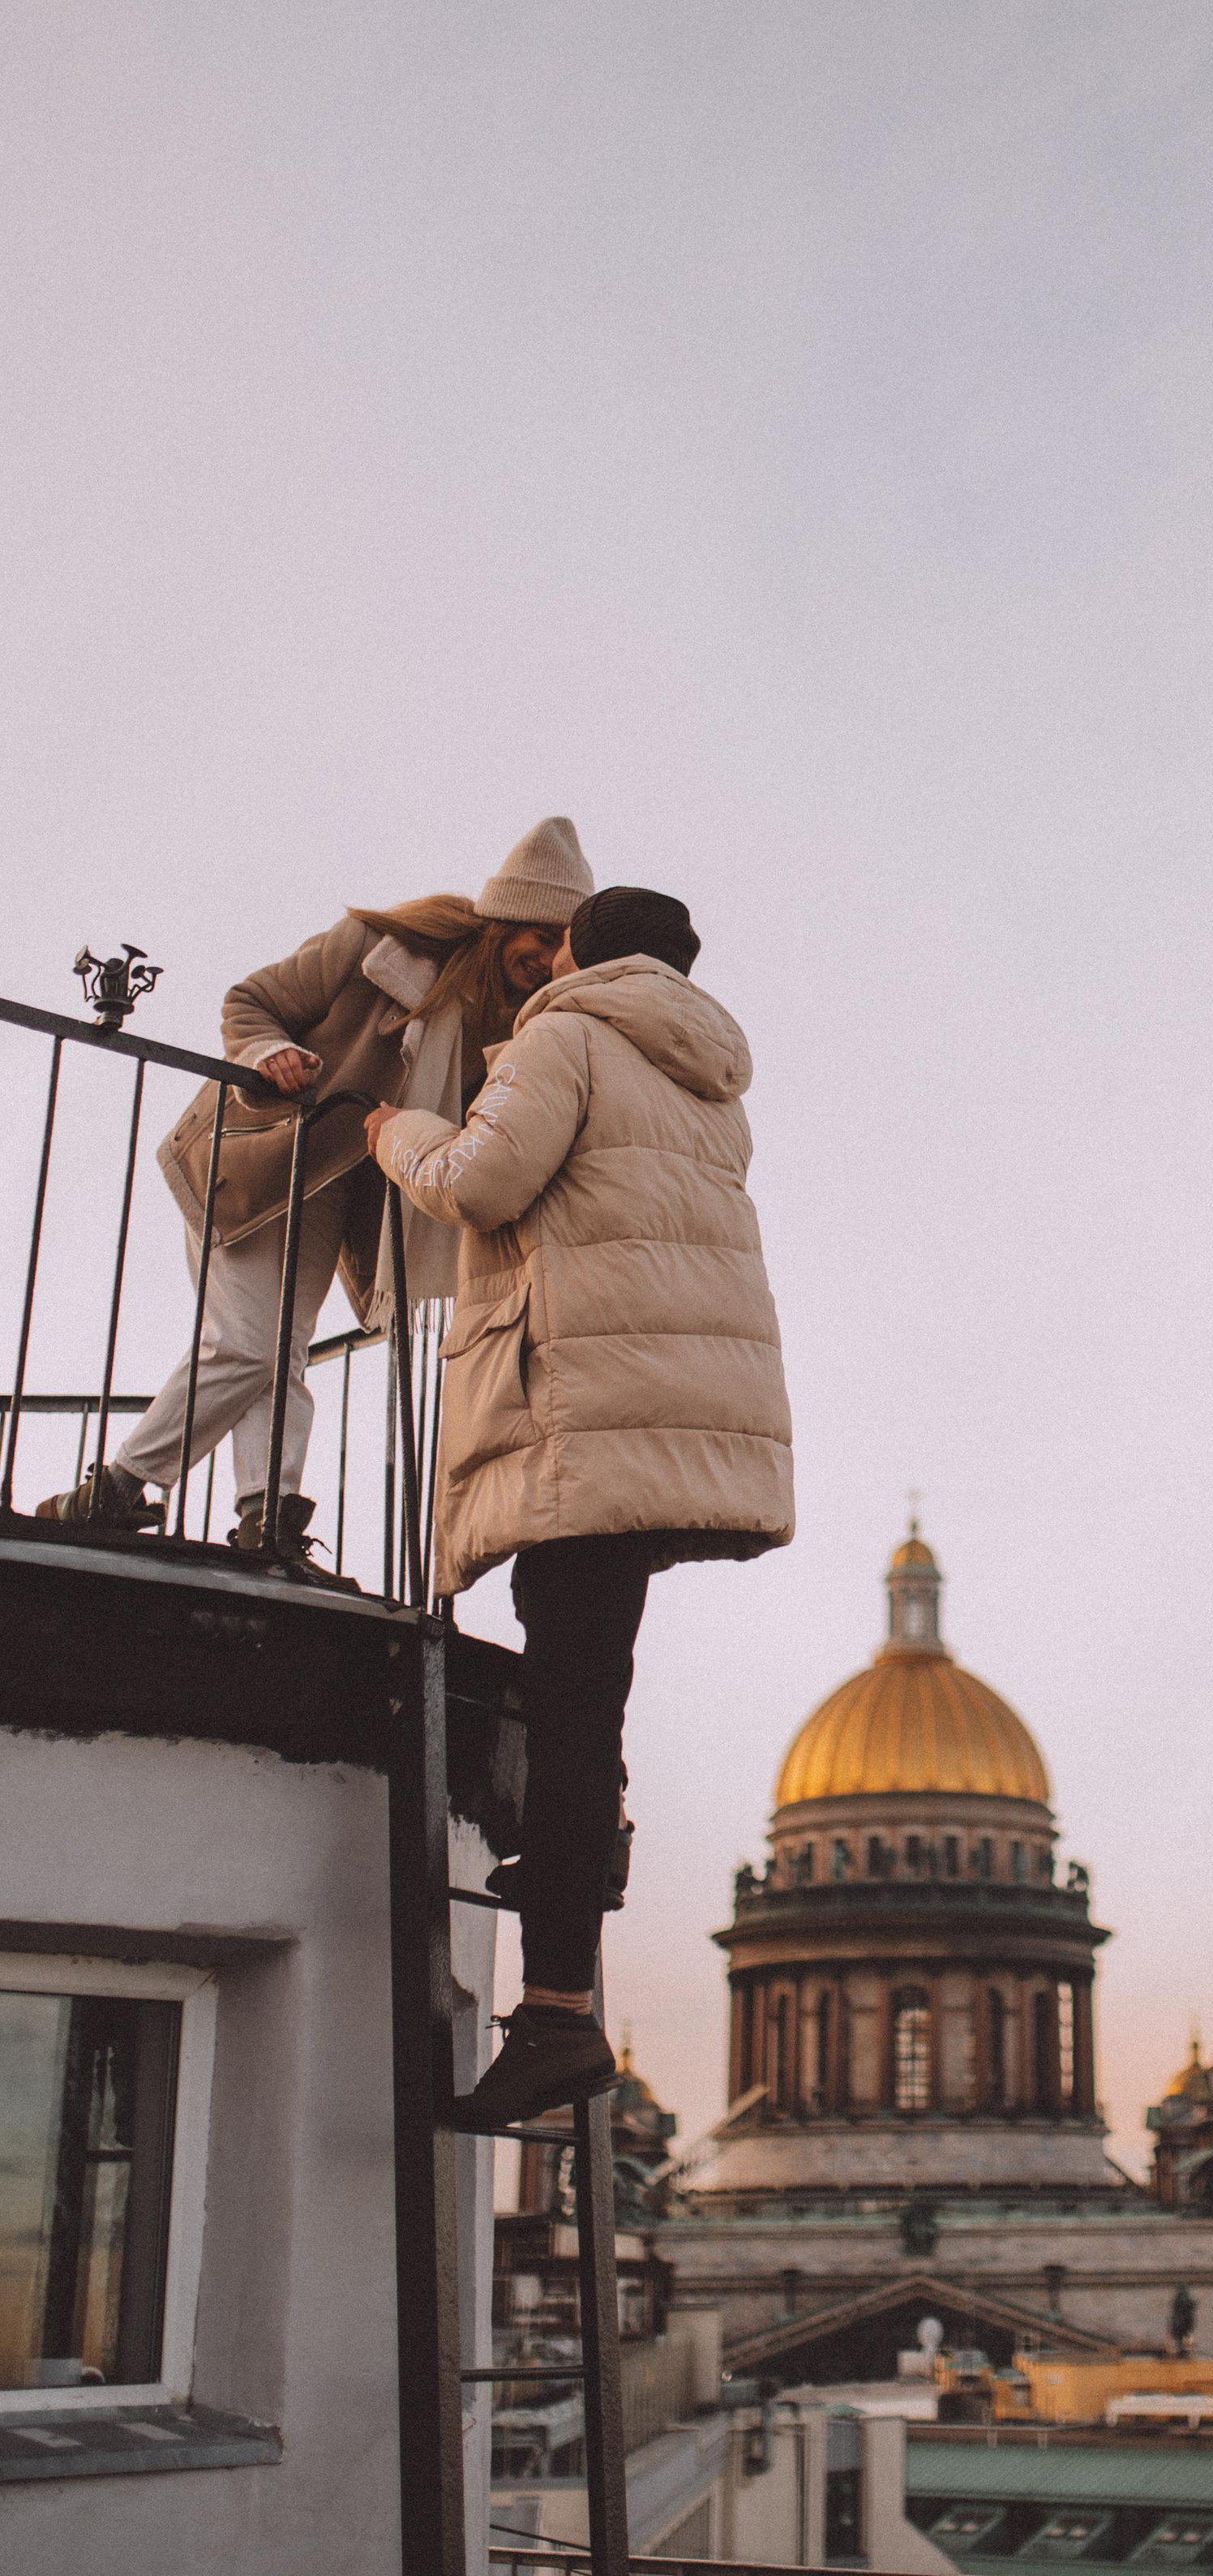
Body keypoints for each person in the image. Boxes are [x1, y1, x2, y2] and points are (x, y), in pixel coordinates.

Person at [367, 882, 793, 2127]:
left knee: (568, 1696)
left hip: (583, 1411)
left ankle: (554, 2005)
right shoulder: (711, 1078)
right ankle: (575, 1868)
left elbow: (479, 1182)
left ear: (587, 952)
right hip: (670, 1417)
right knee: (587, 1685)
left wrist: (396, 1127)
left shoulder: (569, 1032)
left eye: (559, 942)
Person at [39, 818, 595, 1566]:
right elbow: (252, 1000)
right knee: (245, 1344)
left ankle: (267, 1515)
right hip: (256, 1158)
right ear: (507, 921)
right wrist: (271, 1052)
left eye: (562, 950)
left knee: (279, 1350)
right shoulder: (381, 948)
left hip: (332, 1183)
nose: (546, 960)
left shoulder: (516, 1028)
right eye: (541, 938)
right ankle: (117, 1485)